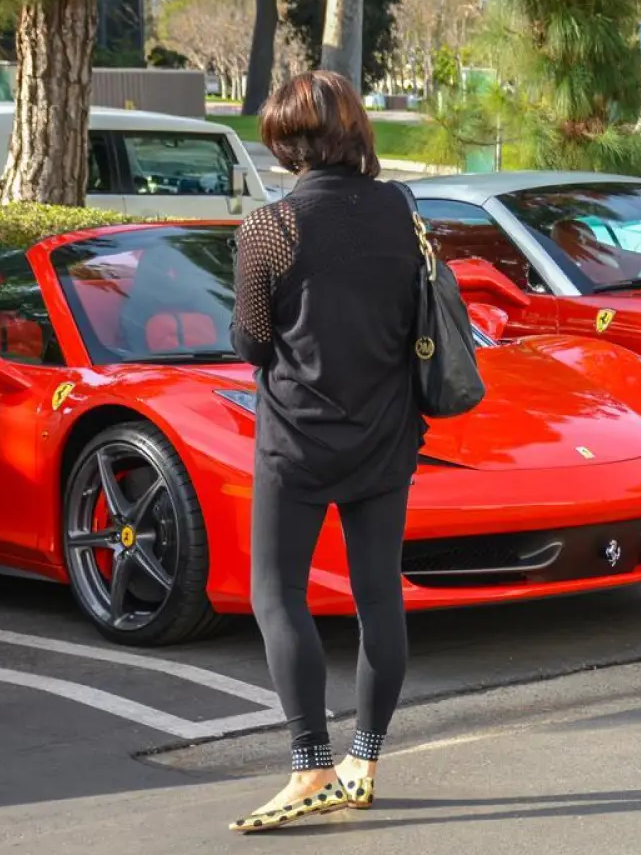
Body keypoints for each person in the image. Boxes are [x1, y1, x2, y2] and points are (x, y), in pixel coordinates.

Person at [229, 71, 425, 832]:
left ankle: (310, 764)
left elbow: (250, 340)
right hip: (386, 431)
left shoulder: (270, 227)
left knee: (278, 595)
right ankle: (364, 759)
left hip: (298, 436)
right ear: (354, 131)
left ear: (286, 142)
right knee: (380, 596)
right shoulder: (402, 211)